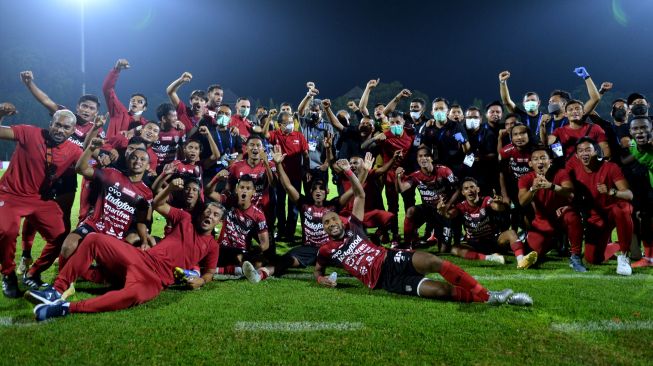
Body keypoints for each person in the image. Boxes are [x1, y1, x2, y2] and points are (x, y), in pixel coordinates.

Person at [252, 159, 532, 306]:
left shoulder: (354, 228)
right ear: (323, 229)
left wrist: (351, 172)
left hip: (391, 258)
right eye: (326, 223)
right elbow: (318, 271)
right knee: (442, 291)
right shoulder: (326, 250)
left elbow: (360, 195)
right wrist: (321, 279)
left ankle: (490, 295)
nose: (331, 223)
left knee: (433, 261)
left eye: (334, 219)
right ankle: (486, 296)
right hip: (384, 282)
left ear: (341, 219)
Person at [25, 178, 223, 321]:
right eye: (208, 211)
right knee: (94, 239)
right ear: (200, 213)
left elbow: (209, 273)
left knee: (132, 296)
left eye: (215, 215)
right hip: (141, 259)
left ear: (218, 222)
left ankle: (66, 308)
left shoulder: (212, 246)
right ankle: (56, 290)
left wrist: (200, 281)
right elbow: (157, 204)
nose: (210, 216)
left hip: (156, 280)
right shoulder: (185, 219)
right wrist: (170, 187)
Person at [0, 109, 83, 298]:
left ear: (73, 130)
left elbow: (89, 167)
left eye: (66, 127)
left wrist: (104, 155)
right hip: (9, 195)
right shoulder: (29, 132)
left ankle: (33, 273)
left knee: (61, 235)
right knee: (7, 230)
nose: (60, 130)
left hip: (40, 200)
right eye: (58, 124)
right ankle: (8, 274)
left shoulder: (74, 150)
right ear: (51, 124)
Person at [55, 137, 154, 274]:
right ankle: (64, 283)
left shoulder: (147, 193)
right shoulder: (112, 174)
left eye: (142, 160)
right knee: (67, 246)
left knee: (118, 272)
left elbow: (142, 222)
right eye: (134, 158)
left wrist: (144, 240)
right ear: (127, 160)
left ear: (148, 166)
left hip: (118, 234)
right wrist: (91, 148)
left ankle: (90, 274)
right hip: (95, 224)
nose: (137, 161)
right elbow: (80, 168)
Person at [568, 138, 634, 275]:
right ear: (576, 155)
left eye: (588, 150)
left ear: (596, 152)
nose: (584, 153)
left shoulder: (610, 167)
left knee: (622, 208)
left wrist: (612, 191)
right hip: (596, 216)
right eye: (580, 151)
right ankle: (616, 245)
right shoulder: (573, 169)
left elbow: (629, 195)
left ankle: (624, 256)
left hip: (613, 211)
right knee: (592, 259)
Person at [438, 178, 537, 269]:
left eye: (472, 187)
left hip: (493, 240)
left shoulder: (486, 200)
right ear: (463, 192)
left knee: (511, 233)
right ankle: (491, 258)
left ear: (478, 189)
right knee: (454, 249)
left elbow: (498, 208)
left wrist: (499, 203)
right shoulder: (461, 206)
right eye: (466, 188)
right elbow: (449, 215)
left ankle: (521, 261)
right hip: (474, 244)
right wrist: (442, 210)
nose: (470, 190)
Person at [517, 146, 585, 271]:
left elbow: (570, 193)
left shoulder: (561, 173)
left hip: (560, 216)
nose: (540, 162)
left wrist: (551, 186)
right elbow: (522, 202)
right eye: (536, 159)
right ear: (530, 163)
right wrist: (533, 188)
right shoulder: (525, 179)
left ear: (550, 161)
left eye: (543, 158)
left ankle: (575, 256)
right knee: (532, 253)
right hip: (542, 221)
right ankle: (555, 243)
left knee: (571, 215)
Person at [396, 147, 459, 250]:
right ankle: (408, 244)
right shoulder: (416, 176)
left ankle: (441, 238)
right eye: (420, 156)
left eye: (426, 156)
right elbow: (401, 189)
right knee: (411, 211)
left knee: (443, 249)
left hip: (443, 211)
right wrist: (397, 177)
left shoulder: (444, 171)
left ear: (432, 159)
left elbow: (458, 189)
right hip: (428, 210)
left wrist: (447, 205)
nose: (423, 158)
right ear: (417, 159)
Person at [210, 175, 270, 277]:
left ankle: (219, 270)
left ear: (253, 192)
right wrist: (216, 179)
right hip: (223, 248)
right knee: (239, 258)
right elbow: (209, 192)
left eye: (248, 188)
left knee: (260, 262)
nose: (244, 191)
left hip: (242, 251)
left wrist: (254, 251)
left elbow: (265, 244)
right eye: (242, 187)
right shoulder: (229, 201)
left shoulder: (258, 215)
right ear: (237, 189)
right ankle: (236, 269)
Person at [264, 111, 310, 241]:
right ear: (279, 124)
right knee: (280, 204)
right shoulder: (275, 135)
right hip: (280, 177)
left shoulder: (299, 136)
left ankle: (290, 233)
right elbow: (264, 134)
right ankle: (281, 231)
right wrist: (269, 118)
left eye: (291, 122)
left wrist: (306, 170)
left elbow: (306, 155)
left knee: (293, 205)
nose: (290, 124)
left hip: (295, 177)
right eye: (286, 123)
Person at [628, 117, 653, 267]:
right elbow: (626, 160)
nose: (640, 131)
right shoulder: (632, 146)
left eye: (644, 128)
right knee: (646, 219)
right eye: (636, 129)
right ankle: (649, 258)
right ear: (630, 132)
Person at [102, 58, 149, 137]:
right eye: (132, 100)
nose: (134, 102)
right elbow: (107, 89)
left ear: (144, 108)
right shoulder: (119, 111)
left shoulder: (147, 125)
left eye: (139, 102)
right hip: (110, 148)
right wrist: (117, 69)